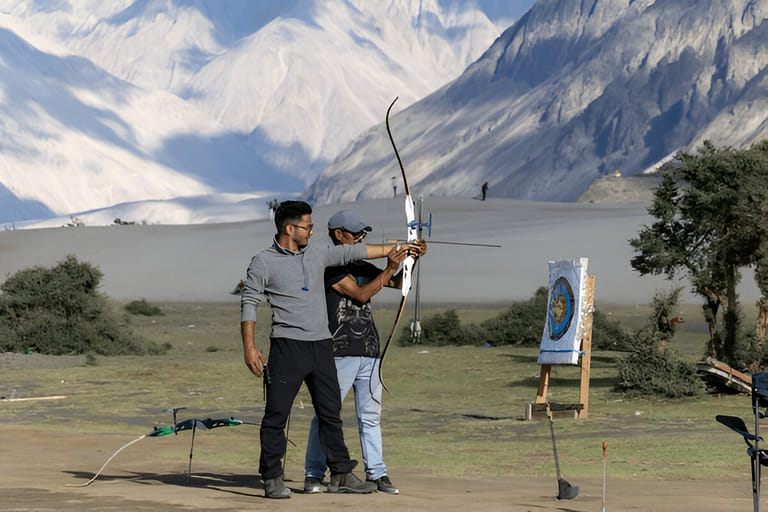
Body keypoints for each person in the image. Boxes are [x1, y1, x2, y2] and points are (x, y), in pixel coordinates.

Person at [240, 200, 424, 499]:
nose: (312, 232)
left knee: (330, 413)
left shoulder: (317, 253)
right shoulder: (263, 261)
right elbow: (249, 302)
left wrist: (405, 248)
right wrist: (249, 348)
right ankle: (272, 477)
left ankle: (340, 473)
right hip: (287, 348)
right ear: (290, 228)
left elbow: (356, 251)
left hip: (322, 346)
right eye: (308, 227)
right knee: (276, 415)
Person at [304, 210, 425, 495]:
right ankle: (313, 473)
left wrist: (412, 258)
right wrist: (388, 268)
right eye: (355, 234)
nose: (361, 238)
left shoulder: (359, 263)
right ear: (338, 234)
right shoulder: (328, 265)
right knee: (326, 412)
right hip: (338, 351)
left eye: (363, 234)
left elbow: (397, 284)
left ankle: (377, 473)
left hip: (370, 350)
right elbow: (360, 294)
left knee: (370, 415)